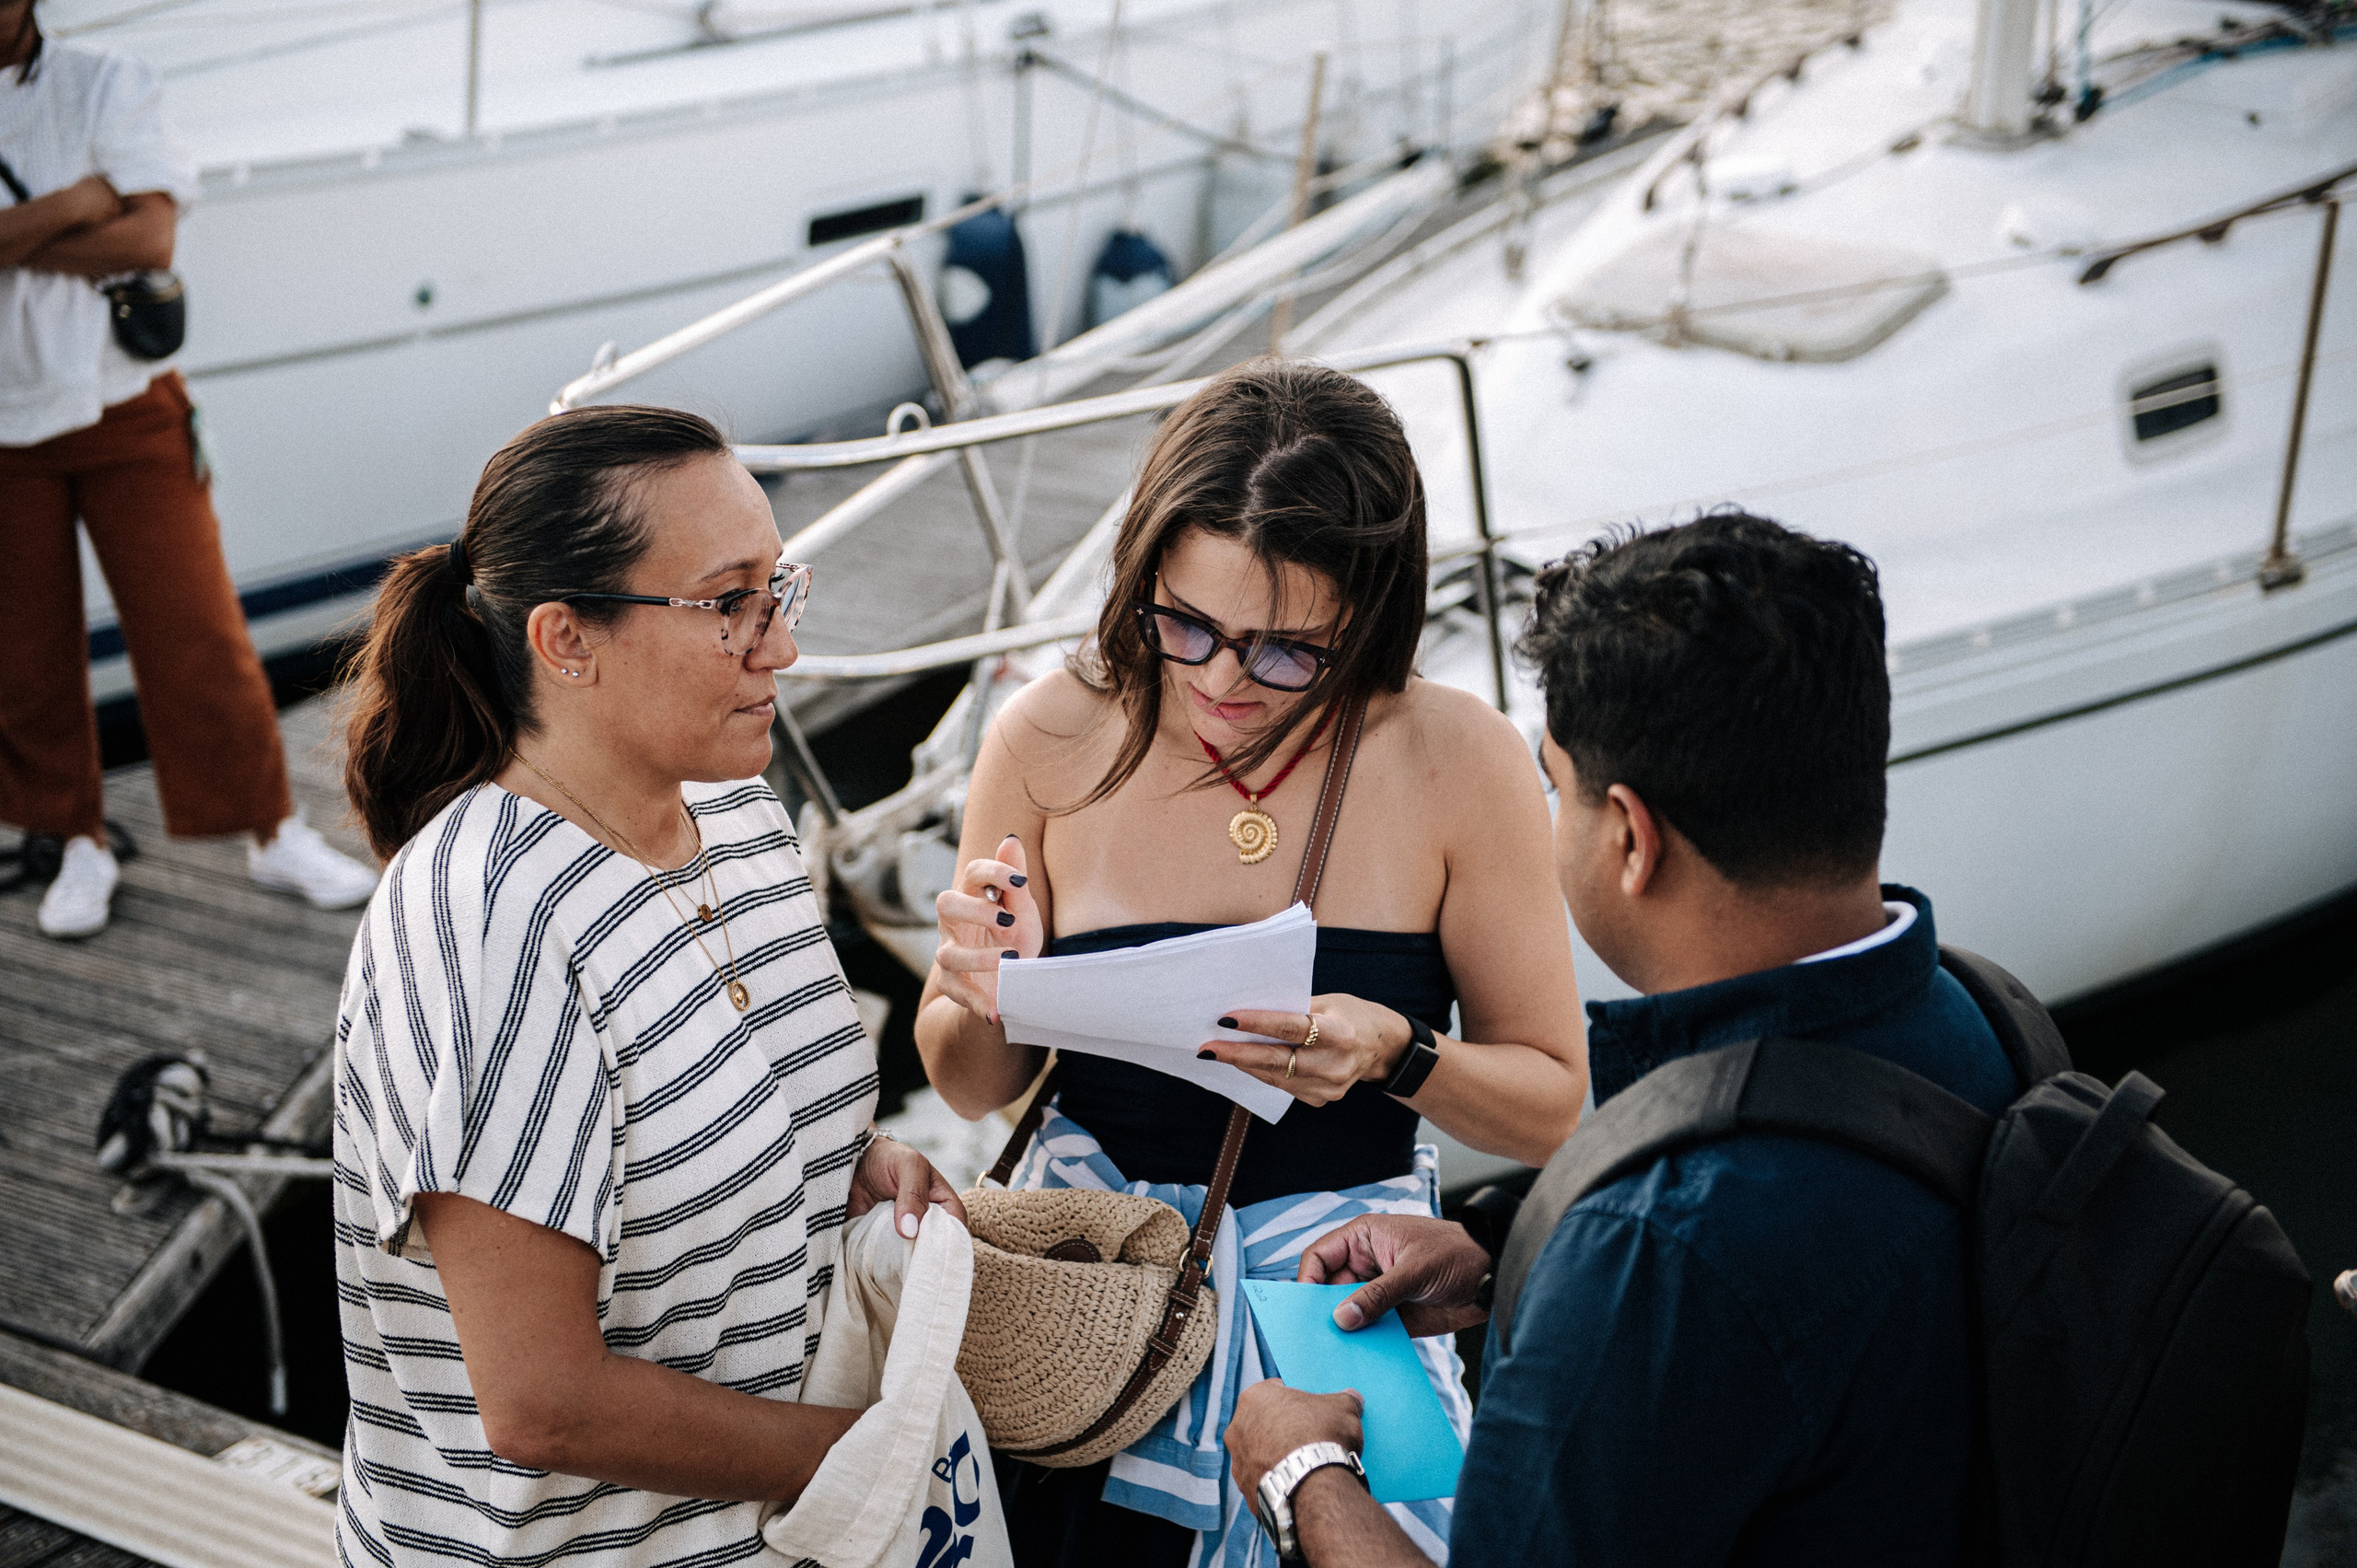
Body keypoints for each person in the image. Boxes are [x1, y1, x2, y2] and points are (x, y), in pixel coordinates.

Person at [1223, 511, 2021, 1565]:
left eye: (1559, 787)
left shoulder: (1658, 1254)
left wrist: (1300, 1472)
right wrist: (1513, 1254)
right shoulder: (1981, 1014)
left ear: (1631, 838)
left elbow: (1707, 1271)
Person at [914, 358, 1588, 1564]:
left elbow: (1552, 1100)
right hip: (1093, 1294)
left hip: (1339, 1300)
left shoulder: (1460, 757)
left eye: (1287, 651)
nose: (1223, 680)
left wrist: (1404, 1052)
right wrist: (978, 978)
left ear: (1369, 620)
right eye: (1183, 625)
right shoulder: (1051, 732)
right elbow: (969, 1081)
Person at [331, 405, 965, 1566]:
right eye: (729, 604)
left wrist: (848, 1165)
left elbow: (723, 1105)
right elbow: (542, 1399)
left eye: (780, 588)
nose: (779, 645)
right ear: (566, 640)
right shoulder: (487, 920)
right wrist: (871, 1453)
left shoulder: (738, 813)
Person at [0, 0, 379, 938]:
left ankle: (269, 828)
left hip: (128, 402)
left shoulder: (107, 84)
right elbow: (117, 219)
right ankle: (74, 841)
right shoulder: (95, 127)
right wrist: (83, 201)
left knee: (195, 627)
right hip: (5, 423)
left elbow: (150, 239)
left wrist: (29, 232)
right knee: (25, 653)